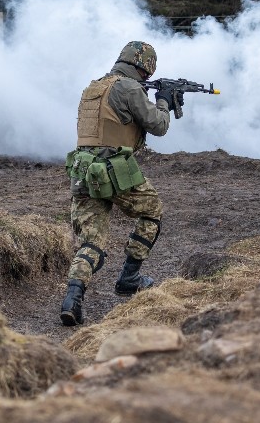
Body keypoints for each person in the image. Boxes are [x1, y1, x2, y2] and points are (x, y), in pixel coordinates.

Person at [60, 40, 180, 327]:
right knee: (152, 211)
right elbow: (159, 125)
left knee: (91, 241)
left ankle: (72, 300)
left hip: (83, 171)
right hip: (115, 170)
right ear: (145, 67)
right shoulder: (129, 88)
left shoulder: (93, 88)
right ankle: (129, 278)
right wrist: (164, 100)